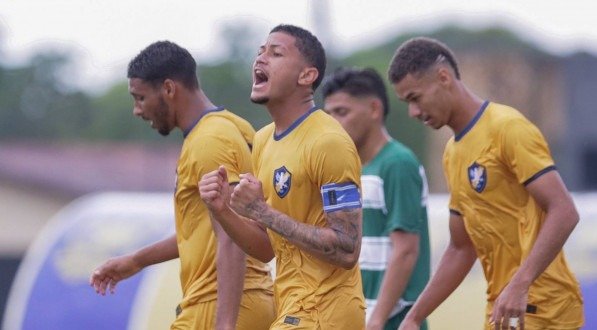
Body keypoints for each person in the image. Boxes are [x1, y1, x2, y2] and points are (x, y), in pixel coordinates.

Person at [387, 37, 584, 330]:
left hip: (544, 309)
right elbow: (460, 248)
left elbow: (565, 210)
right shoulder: (453, 153)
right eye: (407, 103)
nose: (413, 112)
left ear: (443, 78)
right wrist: (415, 316)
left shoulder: (507, 127)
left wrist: (520, 283)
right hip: (503, 312)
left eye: (415, 98)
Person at [89, 41, 275, 330]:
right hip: (239, 303)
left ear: (168, 89)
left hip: (218, 306)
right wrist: (136, 260)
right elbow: (201, 230)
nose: (137, 110)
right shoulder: (228, 127)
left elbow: (230, 235)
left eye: (140, 98)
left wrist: (224, 324)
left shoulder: (210, 140)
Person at [199, 24, 366, 329]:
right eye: (260, 52)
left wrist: (262, 211)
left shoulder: (329, 141)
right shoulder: (263, 140)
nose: (260, 59)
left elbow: (347, 249)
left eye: (275, 53)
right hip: (290, 310)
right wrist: (222, 210)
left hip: (326, 313)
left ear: (307, 76)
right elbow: (266, 249)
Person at [321, 67, 431, 330]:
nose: (333, 122)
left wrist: (378, 319)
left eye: (342, 112)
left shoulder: (397, 163)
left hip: (392, 321)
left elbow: (406, 250)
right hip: (358, 316)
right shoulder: (348, 169)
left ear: (374, 109)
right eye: (329, 114)